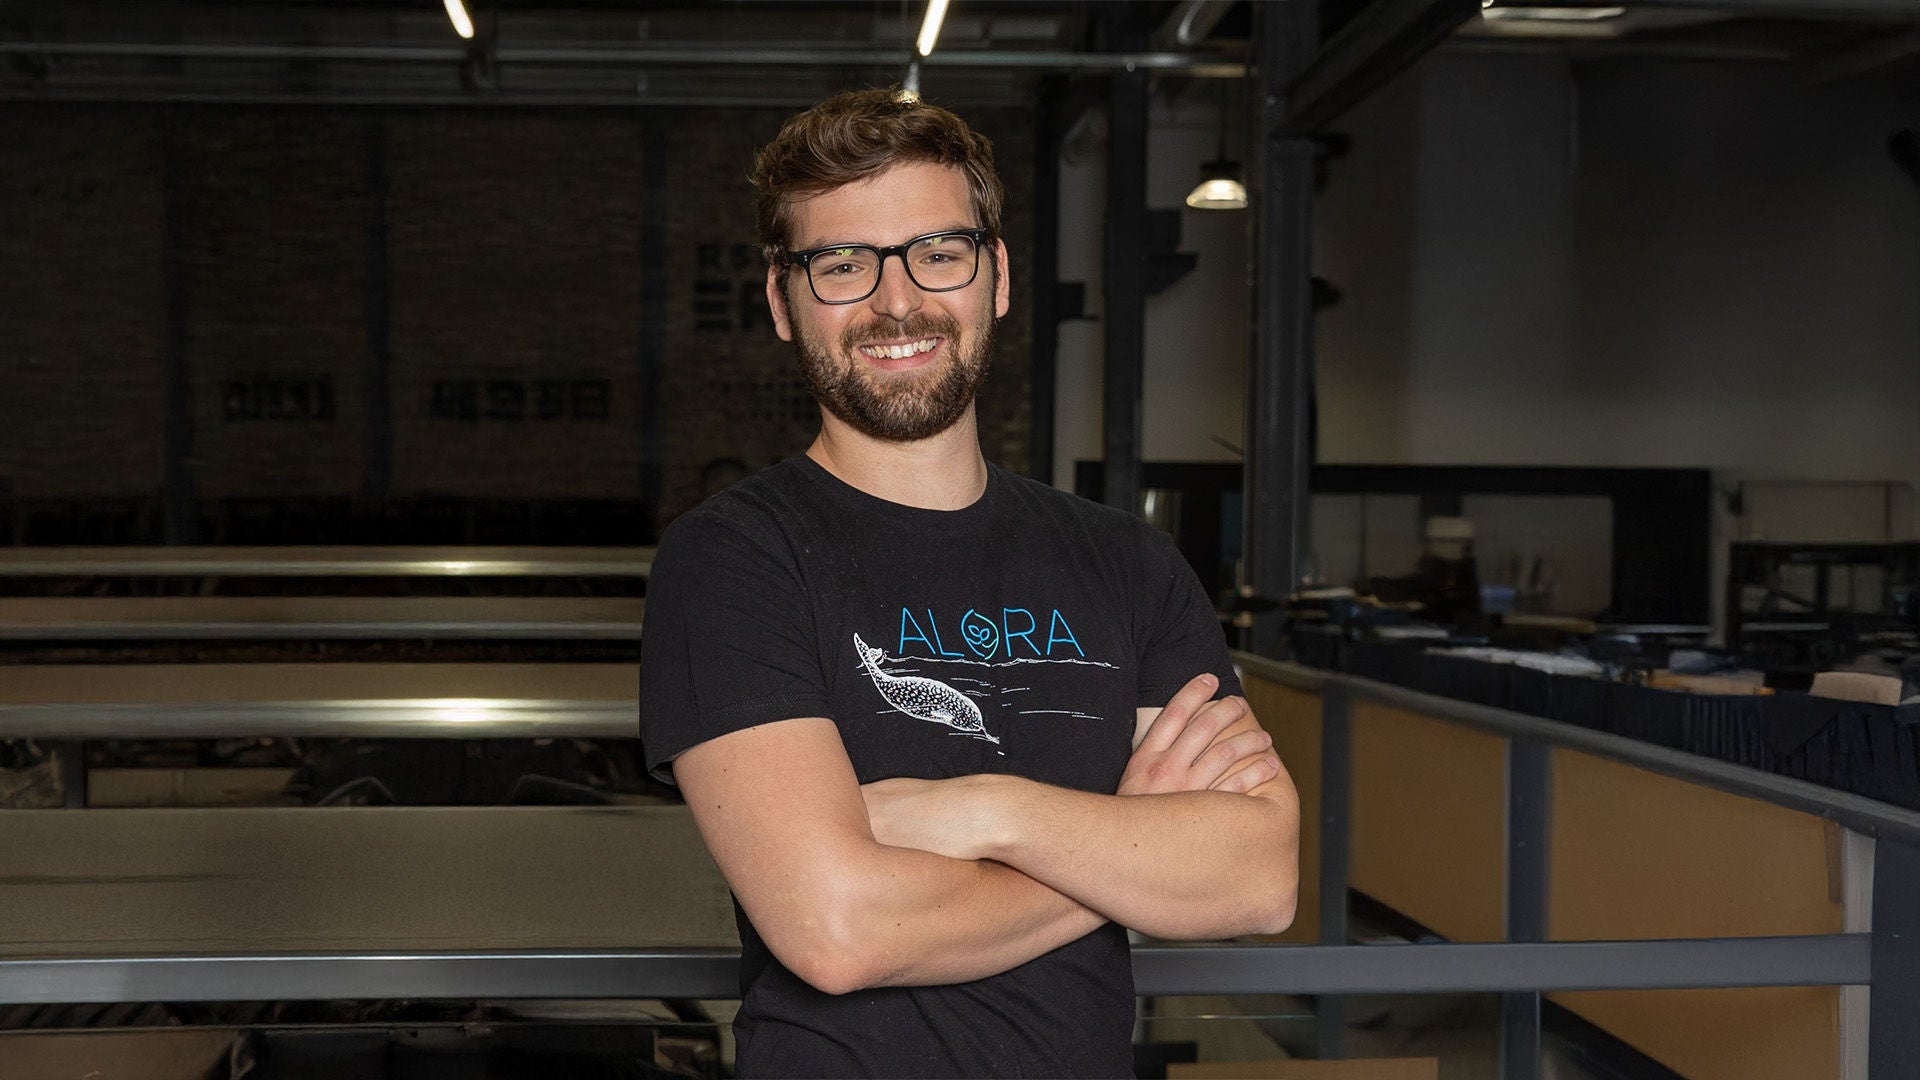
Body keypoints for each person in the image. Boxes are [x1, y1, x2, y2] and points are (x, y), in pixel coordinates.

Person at [639, 87, 1300, 1078]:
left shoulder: (1126, 562)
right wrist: (1124, 841)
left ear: (995, 277)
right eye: (843, 264)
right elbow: (839, 929)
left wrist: (990, 808)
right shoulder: (733, 560)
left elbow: (1259, 876)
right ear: (783, 303)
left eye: (937, 253)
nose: (896, 302)